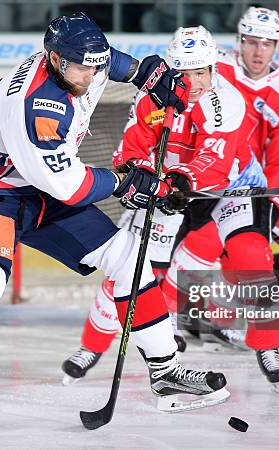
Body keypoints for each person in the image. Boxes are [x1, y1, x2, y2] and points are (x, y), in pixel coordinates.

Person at [0, 12, 230, 427]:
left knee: (128, 256)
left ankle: (165, 372)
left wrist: (143, 73)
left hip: (38, 185)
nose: (91, 73)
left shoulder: (81, 62)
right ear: (55, 60)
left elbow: (109, 61)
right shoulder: (37, 106)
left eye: (95, 64)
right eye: (82, 66)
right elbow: (69, 187)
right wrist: (126, 184)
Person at [61, 25, 265, 383]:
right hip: (168, 189)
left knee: (197, 260)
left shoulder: (228, 101)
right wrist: (140, 176)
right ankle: (93, 344)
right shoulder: (151, 100)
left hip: (217, 192)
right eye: (185, 72)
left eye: (201, 71)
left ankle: (169, 325)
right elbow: (132, 148)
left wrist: (180, 181)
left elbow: (214, 162)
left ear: (213, 69)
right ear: (173, 71)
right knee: (132, 267)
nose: (195, 81)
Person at [161, 7, 279, 394]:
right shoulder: (211, 65)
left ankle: (259, 340)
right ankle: (173, 323)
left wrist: (273, 200)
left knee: (248, 258)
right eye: (252, 41)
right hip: (198, 179)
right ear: (239, 41)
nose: (259, 52)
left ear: (277, 45)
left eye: (268, 43)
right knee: (193, 253)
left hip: (243, 181)